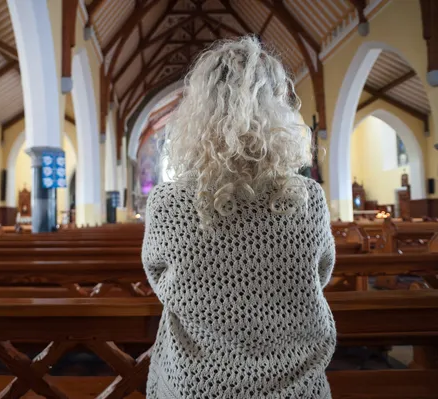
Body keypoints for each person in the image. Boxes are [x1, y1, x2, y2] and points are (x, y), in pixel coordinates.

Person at [142, 36, 336, 398]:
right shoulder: (308, 197)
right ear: (280, 106)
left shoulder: (168, 202)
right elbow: (318, 275)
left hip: (196, 384)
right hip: (296, 383)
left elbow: (162, 281)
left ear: (196, 111)